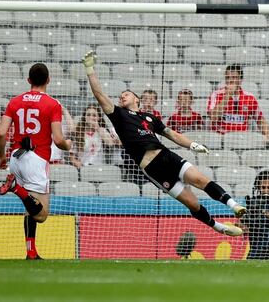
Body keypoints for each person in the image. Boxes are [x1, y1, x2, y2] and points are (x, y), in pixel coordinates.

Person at [82, 51, 247, 237]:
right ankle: (219, 227)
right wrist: (90, 69)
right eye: (121, 96)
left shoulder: (150, 118)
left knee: (201, 180)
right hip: (153, 168)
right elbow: (100, 95)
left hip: (167, 156)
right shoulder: (119, 115)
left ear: (136, 99)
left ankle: (234, 205)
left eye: (126, 94)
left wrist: (193, 145)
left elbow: (172, 135)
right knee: (192, 203)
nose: (122, 97)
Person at [0, 63, 72, 260]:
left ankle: (31, 252)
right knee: (42, 214)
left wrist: (2, 156)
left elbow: (2, 133)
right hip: (36, 159)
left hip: (15, 158)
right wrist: (68, 145)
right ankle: (15, 188)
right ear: (48, 80)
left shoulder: (14, 101)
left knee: (31, 207)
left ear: (28, 80)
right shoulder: (52, 104)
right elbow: (58, 140)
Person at [207, 64, 269, 145]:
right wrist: (227, 96)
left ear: (240, 80)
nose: (230, 80)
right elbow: (213, 117)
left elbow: (261, 120)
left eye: (234, 77)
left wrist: (267, 136)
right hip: (221, 141)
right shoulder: (216, 94)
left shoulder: (249, 97)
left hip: (242, 141)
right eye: (227, 77)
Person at [69, 103, 121, 168]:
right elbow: (72, 157)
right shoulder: (79, 132)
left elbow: (110, 143)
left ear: (98, 118)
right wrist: (80, 166)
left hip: (99, 168)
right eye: (88, 115)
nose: (91, 117)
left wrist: (97, 128)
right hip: (83, 168)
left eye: (94, 115)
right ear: (84, 117)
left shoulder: (102, 130)